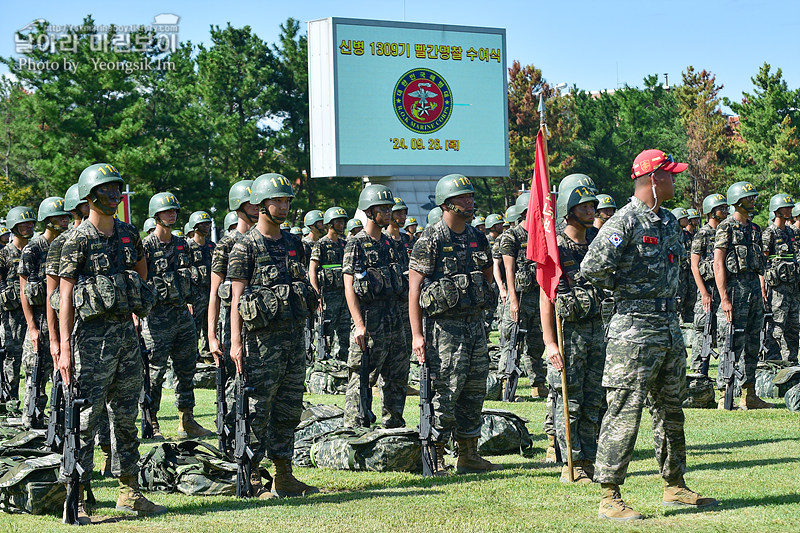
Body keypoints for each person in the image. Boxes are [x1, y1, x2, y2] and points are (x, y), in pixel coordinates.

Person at [582, 149, 717, 520]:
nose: (676, 180)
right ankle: (609, 495)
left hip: (668, 328)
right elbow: (592, 267)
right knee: (624, 411)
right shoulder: (624, 221)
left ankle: (674, 485)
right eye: (670, 175)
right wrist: (625, 290)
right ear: (653, 179)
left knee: (671, 410)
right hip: (634, 330)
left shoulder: (670, 221)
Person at [58, 163, 165, 520]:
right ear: (90, 197)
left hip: (125, 337)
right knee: (87, 418)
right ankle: (81, 496)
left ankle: (129, 492)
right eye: (107, 190)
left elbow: (141, 266)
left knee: (126, 416)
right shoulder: (78, 239)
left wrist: (135, 305)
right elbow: (66, 294)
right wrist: (62, 349)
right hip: (91, 340)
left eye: (117, 189)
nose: (114, 196)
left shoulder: (127, 232)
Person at [228, 172, 318, 498]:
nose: (283, 207)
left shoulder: (295, 244)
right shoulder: (245, 247)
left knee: (289, 408)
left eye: (286, 201)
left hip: (293, 339)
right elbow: (236, 300)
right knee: (257, 410)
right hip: (260, 344)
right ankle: (251, 478)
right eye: (277, 201)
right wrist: (235, 344)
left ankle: (284, 475)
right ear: (261, 205)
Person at [408, 174, 500, 475]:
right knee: (445, 391)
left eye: (471, 197)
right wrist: (417, 335)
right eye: (464, 198)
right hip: (443, 330)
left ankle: (468, 453)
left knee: (474, 389)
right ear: (447, 203)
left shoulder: (477, 236)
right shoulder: (431, 239)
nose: (470, 202)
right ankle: (435, 454)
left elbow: (487, 272)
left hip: (474, 326)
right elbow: (415, 289)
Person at [541, 183, 605, 484]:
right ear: (568, 211)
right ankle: (572, 461)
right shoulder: (556, 246)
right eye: (583, 207)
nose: (591, 211)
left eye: (592, 206)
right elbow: (546, 296)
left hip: (598, 329)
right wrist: (550, 342)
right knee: (571, 400)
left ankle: (591, 457)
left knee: (595, 399)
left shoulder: (597, 240)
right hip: (569, 333)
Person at [142, 192, 213, 439]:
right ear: (156, 215)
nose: (172, 214)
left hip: (182, 315)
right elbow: (140, 282)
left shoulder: (182, 244)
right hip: (156, 318)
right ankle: (152, 423)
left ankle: (187, 420)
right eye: (166, 211)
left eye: (174, 211)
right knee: (155, 373)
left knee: (186, 369)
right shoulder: (147, 246)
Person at [342, 184, 408, 428]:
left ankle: (394, 426)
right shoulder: (356, 243)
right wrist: (359, 324)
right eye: (383, 208)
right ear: (369, 211)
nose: (389, 212)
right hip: (369, 321)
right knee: (361, 377)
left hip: (395, 320)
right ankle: (356, 428)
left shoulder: (393, 244)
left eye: (390, 207)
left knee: (397, 376)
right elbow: (349, 285)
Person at [713, 181, 774, 409]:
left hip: (753, 292)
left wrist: (762, 286)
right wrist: (724, 298)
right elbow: (719, 264)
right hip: (734, 289)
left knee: (752, 341)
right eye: (750, 198)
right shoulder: (725, 227)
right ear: (737, 201)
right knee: (731, 341)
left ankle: (749, 393)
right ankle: (724, 392)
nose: (753, 201)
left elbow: (760, 264)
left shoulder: (755, 229)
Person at [208, 180, 258, 450]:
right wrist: (212, 336)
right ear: (239, 207)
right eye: (250, 203)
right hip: (232, 326)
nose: (257, 207)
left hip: (262, 326)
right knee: (234, 385)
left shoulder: (263, 239)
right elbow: (214, 293)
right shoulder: (226, 245)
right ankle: (232, 443)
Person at [19, 197, 70, 428]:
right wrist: (32, 327)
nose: (65, 220)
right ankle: (32, 424)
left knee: (61, 376)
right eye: (60, 217)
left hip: (62, 321)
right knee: (35, 375)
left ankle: (57, 421)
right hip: (40, 321)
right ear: (47, 220)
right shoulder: (33, 248)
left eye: (66, 216)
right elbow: (23, 291)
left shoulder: (68, 244)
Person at [499, 193, 548, 399]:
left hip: (538, 298)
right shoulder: (512, 236)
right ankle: (505, 383)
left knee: (536, 343)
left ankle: (538, 383)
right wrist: (512, 300)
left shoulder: (542, 235)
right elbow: (508, 270)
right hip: (518, 296)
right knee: (512, 344)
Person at [688, 193, 728, 376]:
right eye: (721, 208)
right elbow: (694, 266)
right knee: (702, 331)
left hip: (723, 290)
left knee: (722, 331)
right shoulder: (702, 234)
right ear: (711, 212)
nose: (725, 211)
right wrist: (704, 293)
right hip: (708, 290)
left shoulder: (726, 232)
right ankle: (698, 374)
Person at [0, 206, 36, 405]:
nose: (28, 226)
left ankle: (33, 403)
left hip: (35, 311)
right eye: (24, 224)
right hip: (11, 315)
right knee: (12, 358)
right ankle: (10, 400)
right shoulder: (4, 253)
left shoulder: (36, 249)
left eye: (31, 223)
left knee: (35, 359)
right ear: (13, 227)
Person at [308, 206, 350, 361]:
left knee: (345, 333)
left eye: (343, 222)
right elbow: (312, 270)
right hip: (327, 297)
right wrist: (316, 294)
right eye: (338, 222)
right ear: (330, 224)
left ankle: (343, 364)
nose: (342, 225)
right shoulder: (321, 244)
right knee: (326, 334)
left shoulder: (345, 244)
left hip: (344, 296)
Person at [762, 193, 799, 364]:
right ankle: (772, 362)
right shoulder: (769, 233)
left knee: (793, 327)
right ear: (777, 210)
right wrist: (762, 289)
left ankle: (791, 362)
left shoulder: (791, 232)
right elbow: (762, 263)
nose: (790, 210)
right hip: (776, 290)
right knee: (776, 327)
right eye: (786, 208)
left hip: (792, 288)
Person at [186, 211, 215, 363]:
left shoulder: (212, 246)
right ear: (195, 226)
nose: (207, 226)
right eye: (203, 224)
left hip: (210, 294)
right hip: (195, 297)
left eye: (208, 223)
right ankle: (193, 359)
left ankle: (208, 357)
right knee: (193, 329)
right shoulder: (187, 247)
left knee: (209, 327)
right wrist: (188, 299)